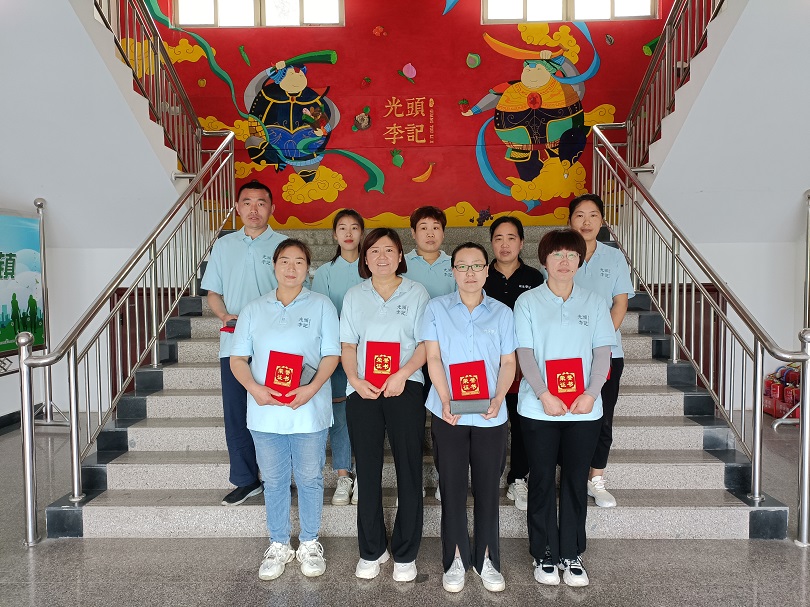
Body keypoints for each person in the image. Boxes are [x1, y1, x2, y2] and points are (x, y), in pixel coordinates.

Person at [230, 239, 340, 581]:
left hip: (308, 409)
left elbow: (332, 355)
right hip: (265, 411)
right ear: (274, 266)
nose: (291, 268)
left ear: (308, 268)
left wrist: (311, 388)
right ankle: (278, 543)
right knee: (275, 480)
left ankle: (309, 542)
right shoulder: (253, 309)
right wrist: (255, 390)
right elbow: (238, 359)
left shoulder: (321, 305)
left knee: (309, 478)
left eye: (299, 262)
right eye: (285, 261)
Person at [514, 229, 615, 588]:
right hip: (538, 408)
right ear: (544, 260)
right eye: (557, 254)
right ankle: (544, 551)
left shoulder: (594, 302)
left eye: (572, 255)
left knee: (574, 480)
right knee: (541, 480)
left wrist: (591, 393)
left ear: (580, 261)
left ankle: (571, 552)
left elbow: (603, 353)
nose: (564, 261)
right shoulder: (528, 302)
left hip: (584, 409)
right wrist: (544, 394)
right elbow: (525, 353)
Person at [421, 242, 517, 593]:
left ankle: (488, 558)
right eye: (462, 266)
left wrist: (499, 396)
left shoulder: (502, 313)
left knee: (489, 488)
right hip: (449, 413)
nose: (470, 273)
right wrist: (446, 400)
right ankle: (456, 558)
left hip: (491, 413)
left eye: (477, 265)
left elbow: (508, 362)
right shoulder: (436, 309)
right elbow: (433, 358)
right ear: (453, 271)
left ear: (487, 270)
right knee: (452, 487)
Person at [341, 228, 429, 582]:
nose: (382, 257)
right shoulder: (354, 295)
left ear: (400, 256)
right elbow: (348, 345)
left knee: (409, 467)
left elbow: (425, 344)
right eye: (374, 251)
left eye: (389, 250)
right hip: (363, 390)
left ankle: (406, 553)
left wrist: (403, 374)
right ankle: (371, 549)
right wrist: (355, 379)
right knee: (367, 469)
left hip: (405, 387)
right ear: (365, 258)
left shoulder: (417, 292)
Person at [200, 180, 287, 506]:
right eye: (247, 202)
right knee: (237, 413)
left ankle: (279, 476)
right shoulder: (224, 246)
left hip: (275, 344)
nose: (254, 209)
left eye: (261, 203)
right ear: (237, 208)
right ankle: (246, 479)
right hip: (234, 342)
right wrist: (224, 315)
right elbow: (213, 292)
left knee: (276, 408)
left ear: (272, 208)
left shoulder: (283, 245)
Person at [568, 194, 635, 508]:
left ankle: (596, 478)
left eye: (593, 215)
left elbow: (620, 303)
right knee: (570, 416)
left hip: (607, 353)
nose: (586, 221)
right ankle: (571, 474)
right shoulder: (560, 254)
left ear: (602, 221)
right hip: (567, 354)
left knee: (603, 417)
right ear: (570, 220)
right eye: (579, 215)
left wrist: (601, 342)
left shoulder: (614, 257)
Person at [483, 216, 544, 512]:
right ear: (491, 243)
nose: (504, 244)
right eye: (498, 238)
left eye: (511, 238)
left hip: (522, 363)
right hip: (487, 363)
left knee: (521, 424)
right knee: (489, 421)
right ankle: (486, 477)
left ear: (521, 242)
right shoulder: (481, 275)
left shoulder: (535, 278)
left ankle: (518, 477)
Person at [403, 205, 456, 501]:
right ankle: (411, 481)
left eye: (436, 227)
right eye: (423, 227)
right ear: (413, 233)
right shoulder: (401, 264)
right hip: (410, 355)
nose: (430, 233)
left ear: (443, 233)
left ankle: (442, 475)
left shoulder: (455, 264)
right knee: (410, 420)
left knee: (442, 419)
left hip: (445, 355)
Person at [312, 209, 365, 507]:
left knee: (369, 415)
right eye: (342, 228)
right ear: (334, 234)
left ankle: (366, 473)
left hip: (369, 355)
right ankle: (344, 475)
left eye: (354, 227)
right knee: (340, 416)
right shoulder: (325, 273)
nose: (348, 233)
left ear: (361, 233)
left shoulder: (373, 266)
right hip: (336, 353)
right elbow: (322, 314)